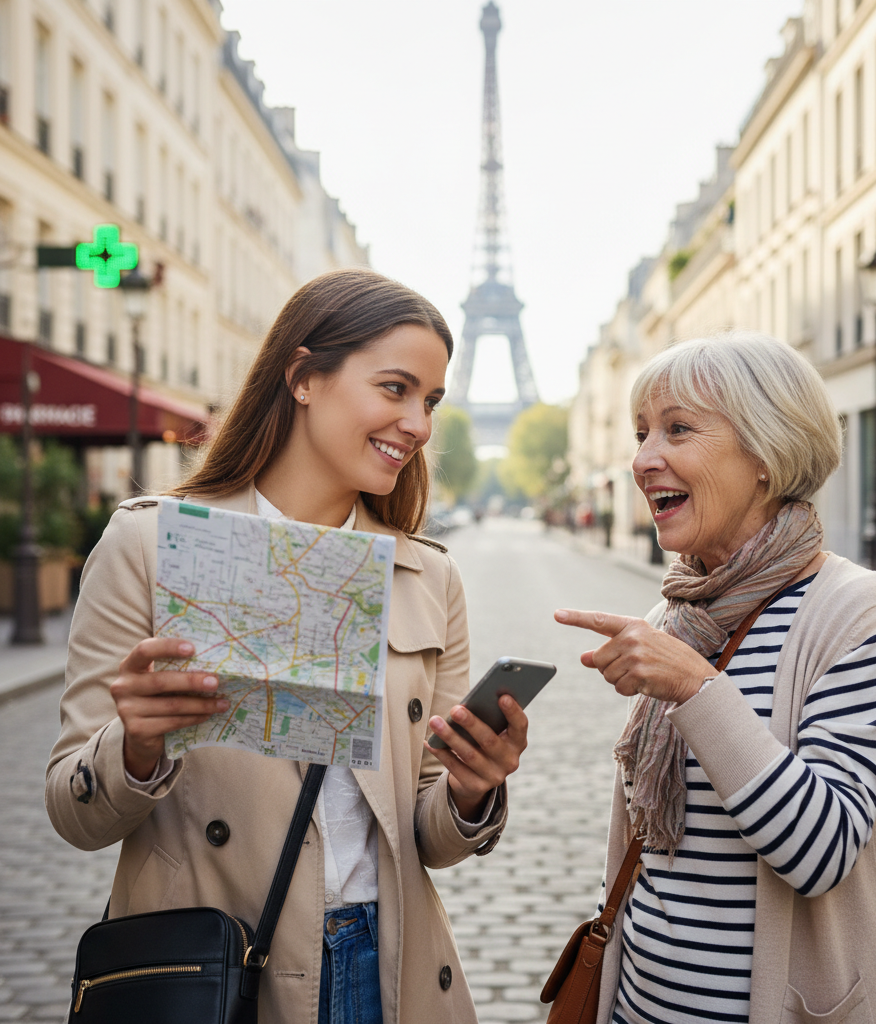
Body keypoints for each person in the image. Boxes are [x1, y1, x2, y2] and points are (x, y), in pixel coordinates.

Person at [45, 268, 529, 1024]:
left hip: (385, 966)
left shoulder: (427, 576)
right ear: (303, 377)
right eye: (395, 388)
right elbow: (74, 814)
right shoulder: (149, 543)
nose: (420, 424)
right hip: (220, 967)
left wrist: (471, 791)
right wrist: (135, 746)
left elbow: (429, 838)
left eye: (431, 401)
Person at [555, 332, 876, 1024]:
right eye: (640, 434)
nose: (641, 460)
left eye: (677, 429)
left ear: (765, 453)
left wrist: (696, 690)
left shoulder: (858, 611)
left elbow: (821, 849)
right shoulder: (679, 610)